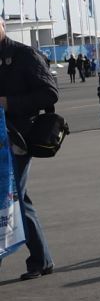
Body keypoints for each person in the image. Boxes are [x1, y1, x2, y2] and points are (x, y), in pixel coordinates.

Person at [0, 19, 58, 279]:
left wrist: (8, 103)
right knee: (20, 200)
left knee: (9, 199)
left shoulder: (25, 55)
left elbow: (49, 93)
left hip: (17, 139)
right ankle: (41, 259)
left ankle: (39, 259)